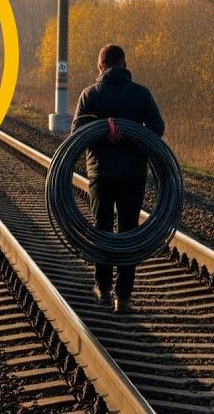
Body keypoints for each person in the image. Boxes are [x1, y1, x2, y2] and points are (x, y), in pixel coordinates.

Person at [71, 44, 165, 314]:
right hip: (133, 174)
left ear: (100, 66)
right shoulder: (141, 94)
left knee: (101, 229)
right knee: (128, 233)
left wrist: (105, 135)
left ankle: (102, 287)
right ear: (125, 65)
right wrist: (132, 133)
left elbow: (77, 133)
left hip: (100, 174)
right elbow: (157, 128)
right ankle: (122, 296)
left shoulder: (90, 95)